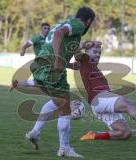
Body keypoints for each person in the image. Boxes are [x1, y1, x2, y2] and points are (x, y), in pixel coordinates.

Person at [24, 7, 95, 158]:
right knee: (65, 108)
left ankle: (35, 132)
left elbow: (61, 43)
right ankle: (64, 149)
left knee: (57, 101)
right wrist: (58, 60)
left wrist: (70, 62)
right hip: (51, 68)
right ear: (89, 20)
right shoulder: (79, 25)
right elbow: (58, 34)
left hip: (40, 66)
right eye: (91, 23)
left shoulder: (66, 23)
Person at [73, 41, 136, 141]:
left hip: (99, 105)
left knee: (125, 133)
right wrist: (84, 44)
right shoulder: (85, 61)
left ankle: (93, 136)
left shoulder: (94, 67)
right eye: (95, 52)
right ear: (86, 52)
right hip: (99, 99)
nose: (97, 55)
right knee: (124, 103)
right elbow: (76, 51)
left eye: (99, 53)